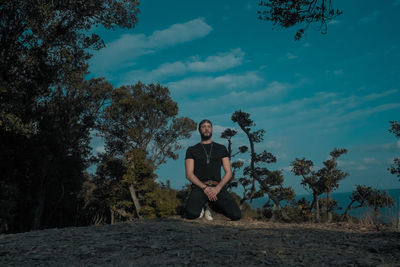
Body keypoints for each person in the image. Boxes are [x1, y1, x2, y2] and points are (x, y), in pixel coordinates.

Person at [184, 119, 241, 221]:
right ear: (199, 130)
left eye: (208, 126)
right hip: (199, 187)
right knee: (191, 214)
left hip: (217, 187)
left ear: (212, 129)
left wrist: (217, 188)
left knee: (236, 215)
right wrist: (205, 188)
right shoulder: (192, 150)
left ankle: (211, 207)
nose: (206, 129)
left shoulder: (221, 148)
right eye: (203, 127)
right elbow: (189, 174)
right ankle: (202, 206)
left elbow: (228, 173)